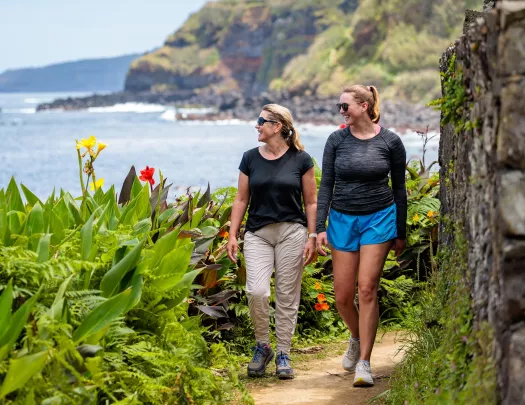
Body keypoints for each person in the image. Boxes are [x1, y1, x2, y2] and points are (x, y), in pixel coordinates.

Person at [316, 85, 407, 387]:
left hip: (379, 219)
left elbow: (399, 189)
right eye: (339, 107)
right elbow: (325, 185)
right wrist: (318, 228)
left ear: (364, 106)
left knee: (366, 289)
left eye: (345, 106)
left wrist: (400, 231)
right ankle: (355, 338)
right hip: (342, 219)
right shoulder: (336, 140)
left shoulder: (390, 141)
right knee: (343, 296)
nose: (341, 112)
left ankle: (365, 363)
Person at [227, 104, 318, 379]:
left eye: (261, 121)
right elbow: (241, 198)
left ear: (277, 126)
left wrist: (313, 235)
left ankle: (283, 353)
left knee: (287, 296)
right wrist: (232, 234)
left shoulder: (302, 160)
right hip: (258, 234)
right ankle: (262, 346)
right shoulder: (249, 158)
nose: (256, 125)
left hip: (292, 232)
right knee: (257, 291)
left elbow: (311, 202)